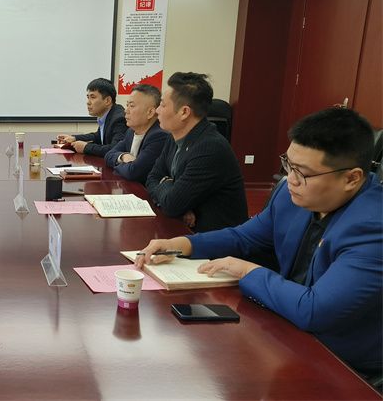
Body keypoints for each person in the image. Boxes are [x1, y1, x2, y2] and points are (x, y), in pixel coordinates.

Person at [136, 108, 382, 386]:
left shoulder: (373, 228)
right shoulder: (291, 196)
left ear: (351, 178)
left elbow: (315, 311)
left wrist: (247, 271)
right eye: (288, 164)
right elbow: (244, 237)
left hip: (345, 364)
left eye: (302, 173)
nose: (290, 179)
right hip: (287, 330)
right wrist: (182, 244)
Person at [145, 72, 247, 232]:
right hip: (186, 230)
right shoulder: (174, 136)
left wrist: (166, 185)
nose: (157, 110)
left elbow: (172, 205)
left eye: (163, 105)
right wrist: (173, 194)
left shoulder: (210, 148)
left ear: (184, 112)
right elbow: (152, 178)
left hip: (216, 240)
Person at [104, 84, 171, 183]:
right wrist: (123, 157)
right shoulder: (130, 132)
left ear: (150, 112)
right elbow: (108, 155)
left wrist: (118, 163)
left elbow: (133, 172)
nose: (126, 110)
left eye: (131, 106)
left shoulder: (159, 136)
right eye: (127, 105)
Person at [56, 78, 128, 157]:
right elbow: (98, 136)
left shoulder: (119, 119)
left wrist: (86, 147)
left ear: (107, 100)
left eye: (93, 97)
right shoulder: (108, 115)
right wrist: (74, 138)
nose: (88, 102)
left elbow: (114, 149)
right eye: (88, 97)